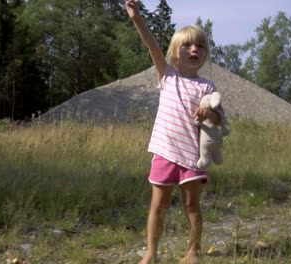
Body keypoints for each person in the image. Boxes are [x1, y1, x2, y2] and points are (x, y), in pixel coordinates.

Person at [126, 1, 224, 263]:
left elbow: (219, 120)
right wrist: (137, 18)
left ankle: (193, 251)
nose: (195, 49)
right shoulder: (166, 76)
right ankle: (151, 253)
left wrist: (209, 113)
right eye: (188, 45)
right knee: (158, 206)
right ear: (174, 53)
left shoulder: (208, 86)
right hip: (165, 151)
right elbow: (152, 45)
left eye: (200, 46)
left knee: (192, 205)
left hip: (192, 155)